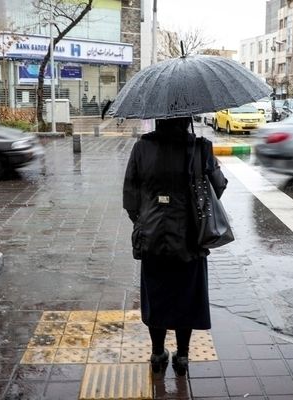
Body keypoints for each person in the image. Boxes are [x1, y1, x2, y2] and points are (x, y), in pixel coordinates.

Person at [122, 117, 228, 376]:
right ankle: (182, 356)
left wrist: (145, 219)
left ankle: (158, 354)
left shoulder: (141, 148)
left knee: (157, 297)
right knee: (186, 299)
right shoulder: (200, 148)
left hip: (152, 238)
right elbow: (219, 187)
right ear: (186, 117)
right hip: (190, 240)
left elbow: (130, 197)